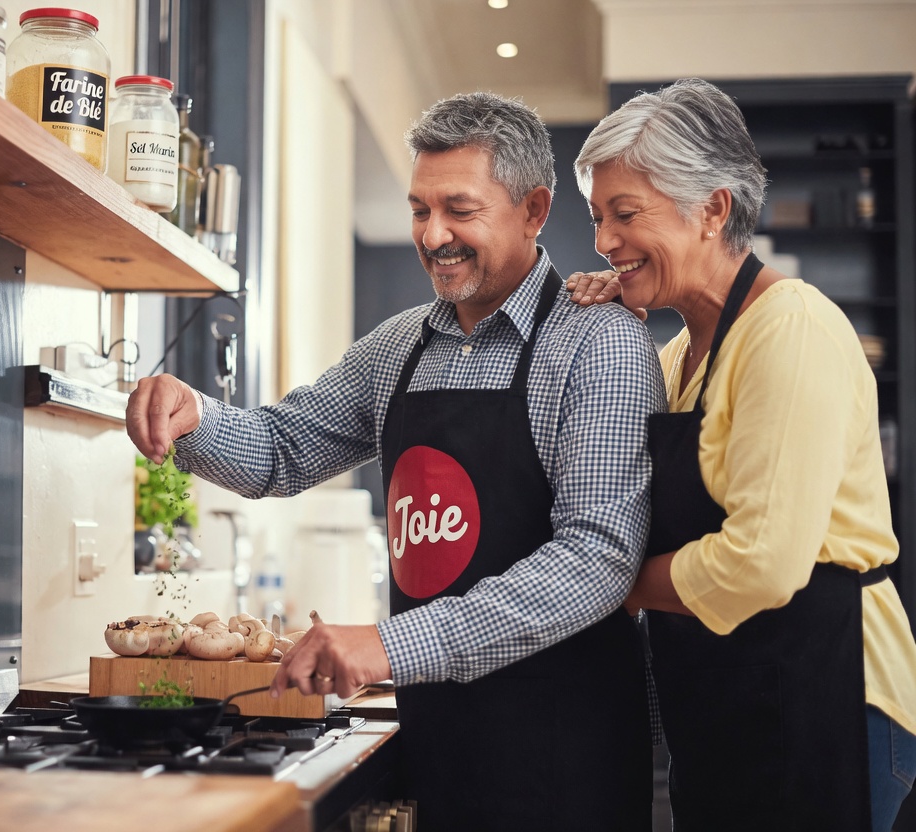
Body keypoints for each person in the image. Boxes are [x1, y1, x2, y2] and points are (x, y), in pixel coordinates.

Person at [127, 91, 665, 830]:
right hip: (438, 739)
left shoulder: (599, 344)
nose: (434, 234)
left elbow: (597, 559)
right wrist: (194, 416)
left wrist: (389, 644)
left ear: (535, 209)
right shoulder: (398, 346)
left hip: (562, 756)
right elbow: (282, 449)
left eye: (460, 209)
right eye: (419, 209)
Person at [567, 77, 916, 831]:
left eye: (625, 214)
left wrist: (612, 583)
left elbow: (762, 559)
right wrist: (594, 327)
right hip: (733, 695)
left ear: (713, 208)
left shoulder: (791, 331)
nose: (603, 241)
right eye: (598, 219)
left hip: (829, 693)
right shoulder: (672, 358)